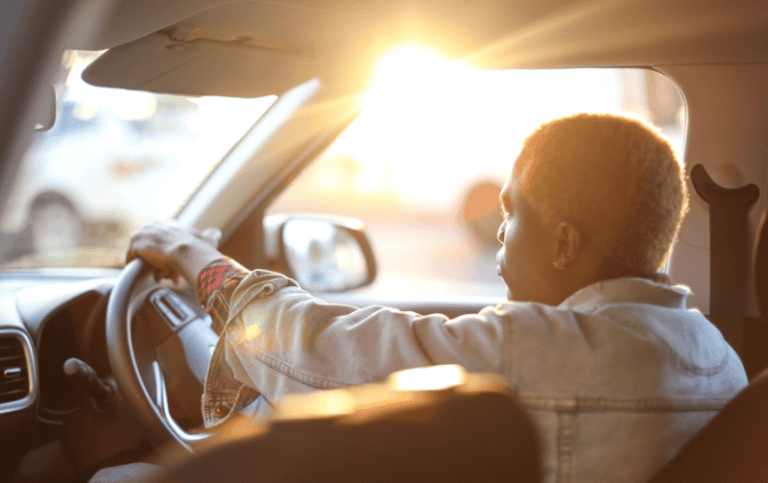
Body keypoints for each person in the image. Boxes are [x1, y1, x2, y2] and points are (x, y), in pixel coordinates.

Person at [121, 113, 747, 482]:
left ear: (563, 244)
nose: (498, 231)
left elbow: (311, 352)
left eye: (512, 211)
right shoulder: (722, 359)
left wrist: (193, 257)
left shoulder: (538, 348)